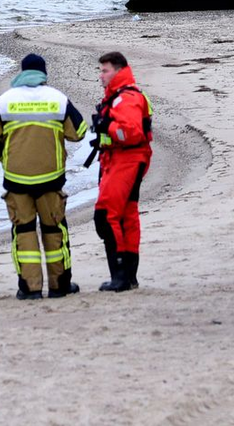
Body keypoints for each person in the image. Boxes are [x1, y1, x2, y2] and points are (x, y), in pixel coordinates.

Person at [0, 53, 87, 299]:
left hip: (16, 179)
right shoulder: (58, 99)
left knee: (24, 233)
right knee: (54, 231)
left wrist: (5, 159)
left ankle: (30, 289)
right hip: (51, 178)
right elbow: (79, 132)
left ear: (22, 72)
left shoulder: (6, 100)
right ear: (44, 74)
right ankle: (59, 286)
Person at [92, 50, 153, 293]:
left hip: (126, 159)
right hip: (122, 159)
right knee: (127, 216)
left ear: (118, 71)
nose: (101, 75)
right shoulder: (121, 96)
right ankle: (128, 276)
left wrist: (105, 124)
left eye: (105, 71)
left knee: (106, 215)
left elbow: (130, 133)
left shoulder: (126, 98)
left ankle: (120, 277)